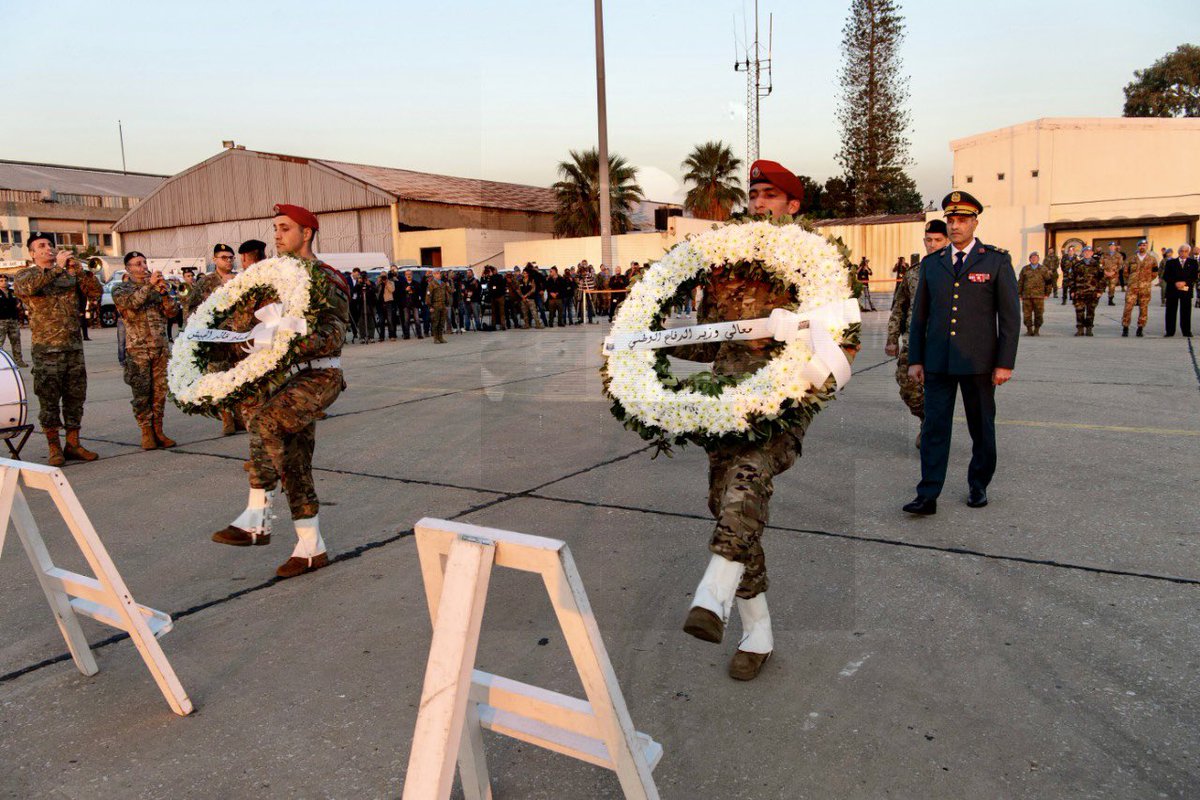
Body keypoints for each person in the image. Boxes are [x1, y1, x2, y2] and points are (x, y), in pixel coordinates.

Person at [677, 159, 858, 682]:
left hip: (783, 405)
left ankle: (711, 599)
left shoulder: (816, 263)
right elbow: (711, 339)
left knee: (746, 482)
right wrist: (641, 349)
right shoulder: (726, 266)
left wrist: (804, 383)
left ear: (793, 206)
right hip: (726, 403)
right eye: (753, 193)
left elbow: (844, 341)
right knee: (727, 505)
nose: (758, 203)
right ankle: (758, 634)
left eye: (770, 196)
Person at [211, 204, 349, 579]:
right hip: (282, 379)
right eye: (274, 228)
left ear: (307, 233)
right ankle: (310, 550)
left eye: (285, 228)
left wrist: (285, 341)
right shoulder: (272, 277)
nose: (276, 235)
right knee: (294, 465)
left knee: (266, 423)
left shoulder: (325, 278)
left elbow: (334, 335)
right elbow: (249, 329)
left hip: (318, 376)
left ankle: (256, 518)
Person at [903, 190, 1019, 515]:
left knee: (981, 428)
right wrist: (916, 358)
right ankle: (928, 494)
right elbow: (920, 317)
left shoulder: (995, 261)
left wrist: (1004, 363)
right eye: (951, 219)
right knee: (934, 429)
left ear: (975, 222)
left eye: (962, 220)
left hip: (979, 363)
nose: (955, 226)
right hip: (939, 362)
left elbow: (1010, 318)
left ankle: (978, 484)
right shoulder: (932, 264)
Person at [14, 234, 103, 466]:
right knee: (49, 400)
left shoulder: (68, 274)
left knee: (75, 398)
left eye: (50, 245)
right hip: (47, 351)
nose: (49, 249)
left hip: (73, 348)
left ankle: (73, 444)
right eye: (42, 246)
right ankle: (54, 447)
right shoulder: (26, 275)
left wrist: (80, 271)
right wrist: (58, 269)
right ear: (32, 254)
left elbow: (96, 293)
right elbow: (29, 289)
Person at [886, 219, 949, 446]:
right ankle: (927, 420)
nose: (932, 245)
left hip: (943, 344)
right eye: (929, 240)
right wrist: (892, 339)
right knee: (908, 388)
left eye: (938, 240)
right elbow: (899, 307)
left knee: (939, 391)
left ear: (948, 241)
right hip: (914, 343)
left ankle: (933, 432)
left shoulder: (954, 272)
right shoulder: (913, 273)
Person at [112, 253, 179, 449]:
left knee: (159, 392)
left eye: (144, 263)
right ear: (129, 269)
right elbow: (133, 302)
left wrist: (165, 293)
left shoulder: (157, 288)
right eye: (138, 264)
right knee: (141, 394)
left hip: (160, 348)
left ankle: (159, 430)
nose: (143, 267)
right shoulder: (121, 289)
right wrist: (149, 285)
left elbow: (172, 312)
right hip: (138, 350)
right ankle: (146, 432)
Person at [193, 244, 246, 435]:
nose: (228, 260)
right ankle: (227, 418)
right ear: (214, 259)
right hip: (215, 341)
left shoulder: (241, 279)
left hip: (238, 340)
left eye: (231, 257)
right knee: (220, 380)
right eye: (224, 257)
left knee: (239, 378)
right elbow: (192, 309)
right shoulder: (205, 283)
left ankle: (240, 417)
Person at [1122, 240, 1158, 337]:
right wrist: (1131, 280)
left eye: (1144, 245)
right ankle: (1125, 327)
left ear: (1147, 247)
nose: (1142, 247)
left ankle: (1140, 328)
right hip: (1132, 287)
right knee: (1128, 307)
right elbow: (1125, 272)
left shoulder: (1152, 259)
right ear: (1138, 247)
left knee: (1143, 308)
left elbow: (1155, 272)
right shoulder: (1131, 259)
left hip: (1145, 288)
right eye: (1140, 245)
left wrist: (1147, 280)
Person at [1162, 244, 1198, 337]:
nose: (1183, 253)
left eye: (1186, 251)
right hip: (1172, 290)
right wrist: (1175, 283)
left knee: (1186, 311)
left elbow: (1194, 276)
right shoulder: (1171, 263)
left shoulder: (1193, 263)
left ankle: (1186, 331)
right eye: (1182, 251)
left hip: (1186, 290)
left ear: (1188, 252)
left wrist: (1185, 282)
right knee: (1170, 311)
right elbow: (1166, 276)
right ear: (1178, 252)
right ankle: (1170, 331)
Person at [1069, 245, 1105, 336]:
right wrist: (1072, 291)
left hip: (1092, 292)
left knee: (1090, 311)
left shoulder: (1097, 265)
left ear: (1092, 253)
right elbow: (1071, 278)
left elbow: (1102, 279)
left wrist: (1100, 291)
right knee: (1079, 311)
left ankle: (1089, 329)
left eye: (1089, 252)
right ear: (1083, 253)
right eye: (1085, 252)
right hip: (1079, 292)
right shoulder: (1077, 264)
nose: (1087, 253)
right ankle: (1080, 329)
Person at [1016, 251, 1053, 336]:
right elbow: (1020, 282)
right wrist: (1019, 293)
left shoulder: (1043, 269)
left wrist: (1047, 293)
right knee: (1027, 314)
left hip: (1039, 296)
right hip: (1027, 296)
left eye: (1036, 258)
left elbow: (1048, 282)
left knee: (1039, 313)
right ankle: (1029, 330)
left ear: (1038, 259)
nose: (1034, 259)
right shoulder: (1025, 269)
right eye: (1032, 258)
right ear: (1029, 259)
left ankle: (1036, 330)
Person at [0, 274, 28, 367]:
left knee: (16, 341)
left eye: (5, 280)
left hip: (13, 320)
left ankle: (19, 360)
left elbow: (19, 304)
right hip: (1, 321)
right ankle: (1, 362)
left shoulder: (13, 292)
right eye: (1, 281)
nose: (4, 282)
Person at [426, 267, 452, 343]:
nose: (439, 275)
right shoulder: (431, 284)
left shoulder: (443, 283)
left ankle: (440, 337)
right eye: (437, 273)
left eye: (439, 273)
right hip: (435, 305)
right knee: (435, 322)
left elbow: (450, 292)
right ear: (433, 275)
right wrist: (430, 306)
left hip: (443, 305)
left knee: (442, 322)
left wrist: (448, 285)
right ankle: (435, 338)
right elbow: (428, 296)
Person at [398, 269, 423, 339]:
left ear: (412, 275)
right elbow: (399, 294)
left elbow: (420, 293)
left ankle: (419, 334)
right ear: (405, 275)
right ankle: (406, 335)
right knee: (406, 320)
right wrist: (405, 290)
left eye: (410, 274)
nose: (408, 275)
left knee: (417, 319)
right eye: (407, 274)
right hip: (406, 304)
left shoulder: (416, 283)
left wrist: (413, 291)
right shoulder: (402, 284)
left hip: (415, 304)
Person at [1100, 242, 1124, 306]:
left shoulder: (1119, 255)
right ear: (1109, 247)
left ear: (1115, 247)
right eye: (1110, 246)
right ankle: (1096, 298)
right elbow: (1100, 264)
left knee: (1112, 287)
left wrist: (1114, 272)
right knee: (1100, 286)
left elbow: (1120, 265)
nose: (1112, 247)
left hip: (1114, 274)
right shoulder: (1104, 255)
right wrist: (1104, 271)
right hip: (1105, 273)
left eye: (1113, 246)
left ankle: (1110, 300)